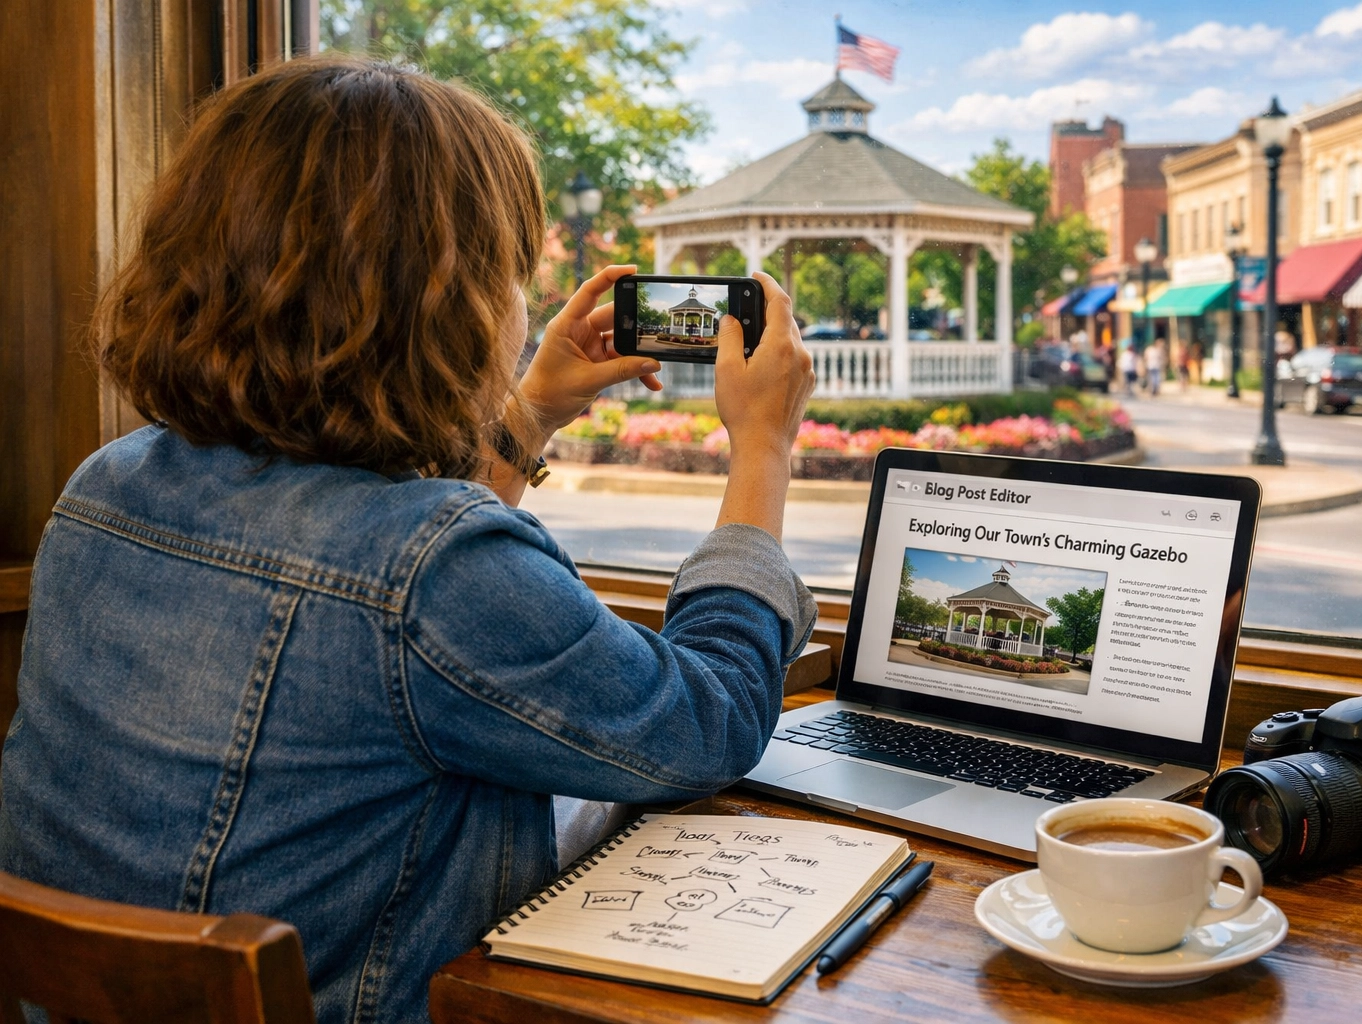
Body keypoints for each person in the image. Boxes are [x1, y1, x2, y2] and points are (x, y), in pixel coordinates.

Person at [0, 57, 817, 1024]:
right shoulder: (438, 570)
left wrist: (531, 413)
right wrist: (763, 447)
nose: (519, 309)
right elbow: (709, 724)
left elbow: (380, 582)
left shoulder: (109, 484)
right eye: (509, 273)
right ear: (448, 304)